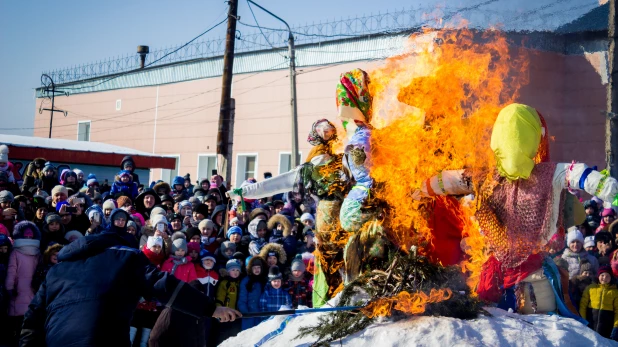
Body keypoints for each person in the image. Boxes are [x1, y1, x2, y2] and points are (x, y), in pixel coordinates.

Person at [19, 218, 240, 346]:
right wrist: (210, 308)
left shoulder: (58, 269)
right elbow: (163, 285)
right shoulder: (126, 257)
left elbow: (32, 319)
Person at [7, 221, 41, 345]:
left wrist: (9, 287)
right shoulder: (37, 252)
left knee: (17, 322)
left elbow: (11, 271)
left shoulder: (15, 252)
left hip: (18, 291)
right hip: (33, 290)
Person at [579, 266, 618, 340]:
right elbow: (583, 305)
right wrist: (583, 320)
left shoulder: (615, 292)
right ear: (598, 276)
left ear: (611, 278)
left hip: (606, 325)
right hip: (591, 322)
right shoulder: (591, 288)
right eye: (602, 275)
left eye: (607, 276)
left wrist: (616, 326)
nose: (604, 278)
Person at [238, 256, 267, 330]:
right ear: (250, 269)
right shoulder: (246, 281)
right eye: (254, 268)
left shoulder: (263, 280)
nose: (256, 270)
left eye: (258, 267)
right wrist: (245, 313)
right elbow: (242, 299)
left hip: (262, 313)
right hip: (249, 314)